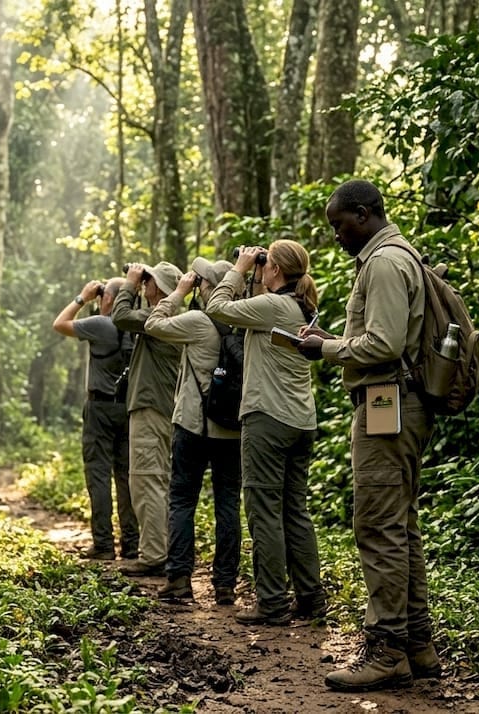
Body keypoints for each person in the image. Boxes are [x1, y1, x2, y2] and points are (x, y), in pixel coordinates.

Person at [297, 179, 442, 692]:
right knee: (400, 523)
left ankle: (386, 651)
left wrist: (325, 348)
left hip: (389, 404)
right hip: (401, 405)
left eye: (340, 224)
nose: (337, 235)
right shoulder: (403, 254)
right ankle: (417, 643)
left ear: (363, 214)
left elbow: (382, 343)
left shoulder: (383, 262)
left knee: (378, 526)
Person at [204, 239, 326, 625]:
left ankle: (271, 602)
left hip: (267, 420)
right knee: (295, 512)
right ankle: (309, 599)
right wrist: (258, 275)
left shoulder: (273, 306)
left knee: (263, 512)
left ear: (274, 270)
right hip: (301, 422)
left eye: (265, 263)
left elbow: (217, 308)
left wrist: (238, 268)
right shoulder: (298, 305)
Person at [143, 259, 242, 606]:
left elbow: (154, 323)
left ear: (207, 287)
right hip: (232, 430)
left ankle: (180, 578)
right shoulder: (243, 320)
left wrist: (179, 292)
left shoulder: (199, 322)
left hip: (194, 425)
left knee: (183, 499)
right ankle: (225, 585)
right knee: (228, 504)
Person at [51, 278, 139, 560]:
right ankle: (131, 544)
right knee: (125, 477)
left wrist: (82, 298)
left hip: (100, 408)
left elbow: (60, 323)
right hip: (127, 408)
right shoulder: (137, 325)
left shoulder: (103, 324)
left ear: (110, 299)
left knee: (99, 475)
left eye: (103, 296)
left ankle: (103, 545)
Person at [111, 261, 185, 576]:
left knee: (146, 480)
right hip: (159, 406)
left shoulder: (161, 319)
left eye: (148, 281)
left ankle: (154, 555)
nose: (144, 284)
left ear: (162, 289)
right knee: (155, 479)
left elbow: (120, 317)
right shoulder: (167, 318)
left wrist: (128, 284)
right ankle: (159, 549)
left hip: (152, 408)